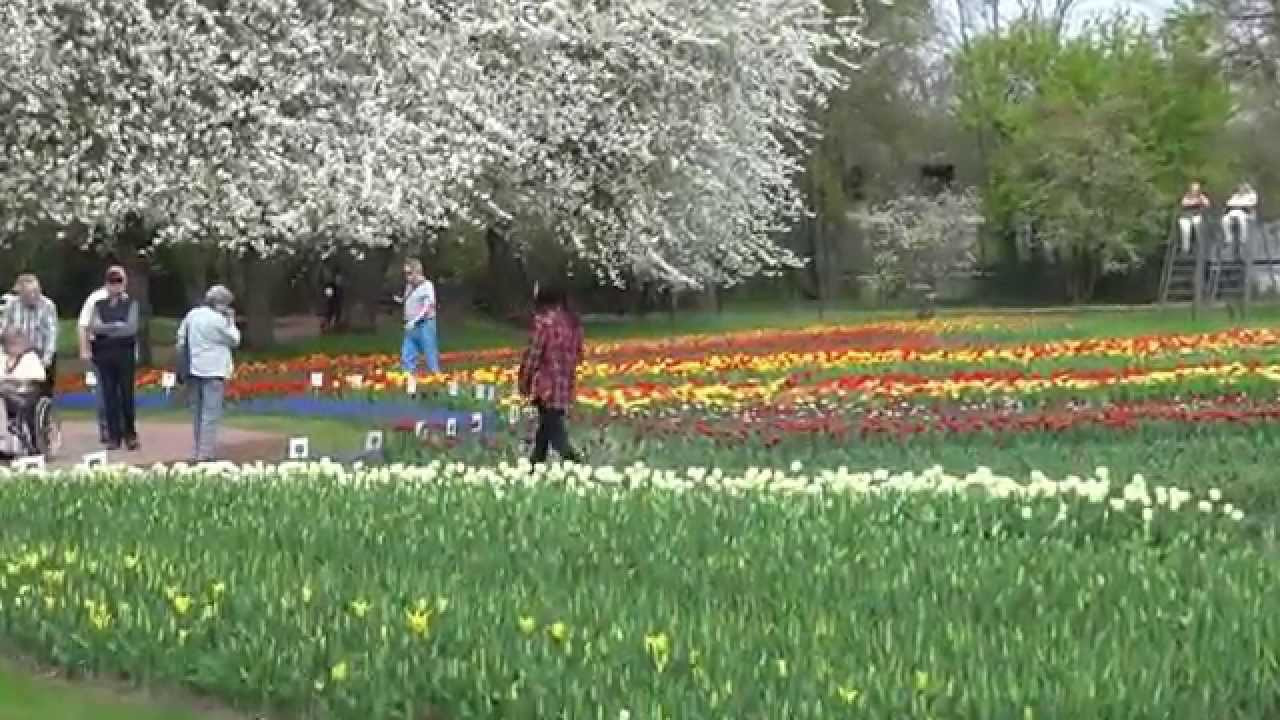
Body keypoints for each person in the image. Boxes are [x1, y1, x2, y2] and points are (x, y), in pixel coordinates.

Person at [517, 284, 584, 465]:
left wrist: (524, 382)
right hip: (564, 385)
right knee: (546, 429)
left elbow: (533, 356)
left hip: (545, 387)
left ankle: (575, 462)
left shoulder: (544, 324)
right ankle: (534, 465)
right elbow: (579, 355)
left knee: (555, 433)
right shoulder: (573, 324)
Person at [176, 285, 241, 462]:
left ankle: (198, 449)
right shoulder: (217, 320)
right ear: (220, 303)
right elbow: (235, 339)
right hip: (213, 370)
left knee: (197, 412)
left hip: (192, 368)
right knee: (210, 413)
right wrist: (231, 321)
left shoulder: (192, 315)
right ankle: (205, 453)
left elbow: (181, 339)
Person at [88, 268, 139, 451]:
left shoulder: (131, 304)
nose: (114, 286)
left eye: (118, 282)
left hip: (124, 353)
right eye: (111, 282)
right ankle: (113, 435)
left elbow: (131, 328)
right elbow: (95, 327)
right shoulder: (99, 305)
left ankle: (130, 433)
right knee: (108, 396)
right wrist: (116, 326)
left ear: (124, 284)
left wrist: (108, 329)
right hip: (104, 354)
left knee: (126, 394)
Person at [78, 265, 123, 443]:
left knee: (120, 391)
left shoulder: (125, 300)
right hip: (101, 347)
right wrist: (84, 349)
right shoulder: (95, 299)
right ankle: (106, 428)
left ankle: (118, 427)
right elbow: (83, 325)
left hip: (120, 349)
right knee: (105, 390)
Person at [1, 274, 58, 397]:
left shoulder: (48, 305)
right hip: (16, 353)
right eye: (28, 293)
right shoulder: (11, 305)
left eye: (35, 292)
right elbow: (4, 330)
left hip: (40, 353)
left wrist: (45, 360)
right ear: (20, 293)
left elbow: (51, 335)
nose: (33, 296)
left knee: (40, 391)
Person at [0, 329, 47, 455]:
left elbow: (40, 376)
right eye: (9, 343)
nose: (13, 346)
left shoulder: (30, 357)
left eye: (15, 342)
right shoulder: (2, 358)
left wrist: (16, 381)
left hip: (25, 395)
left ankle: (8, 442)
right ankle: (4, 442)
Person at [399, 259, 440, 375]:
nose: (407, 276)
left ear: (418, 272)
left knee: (430, 354)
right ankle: (408, 382)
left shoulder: (427, 286)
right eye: (405, 273)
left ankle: (436, 381)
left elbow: (427, 307)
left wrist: (415, 320)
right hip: (411, 326)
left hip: (425, 325)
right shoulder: (409, 286)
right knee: (407, 354)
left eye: (409, 273)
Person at [1222, 182, 1258, 259]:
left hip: (1243, 212)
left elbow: (1252, 203)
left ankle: (1243, 240)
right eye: (1240, 189)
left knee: (1241, 221)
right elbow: (1229, 203)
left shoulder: (1250, 196)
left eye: (1243, 188)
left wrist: (1249, 189)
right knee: (1225, 220)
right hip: (1233, 211)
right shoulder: (1235, 196)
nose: (1241, 190)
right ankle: (1228, 238)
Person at [1178, 181, 1211, 255]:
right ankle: (1186, 249)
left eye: (1196, 190)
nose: (1194, 191)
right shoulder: (1186, 196)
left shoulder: (1201, 196)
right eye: (1193, 189)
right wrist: (1194, 202)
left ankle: (1200, 246)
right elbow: (1183, 203)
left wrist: (1200, 200)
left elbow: (1207, 204)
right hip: (1186, 216)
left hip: (1196, 215)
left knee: (1197, 223)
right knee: (1185, 229)